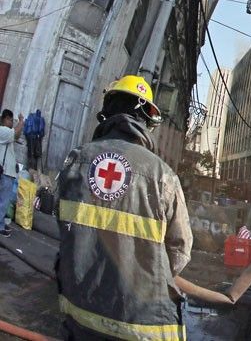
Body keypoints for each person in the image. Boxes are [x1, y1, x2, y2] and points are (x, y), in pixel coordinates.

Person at [56, 75, 193, 340]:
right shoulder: (162, 175)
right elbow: (181, 248)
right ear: (147, 121)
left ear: (107, 112)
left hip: (79, 313)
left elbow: (63, 226)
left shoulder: (76, 159)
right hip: (142, 325)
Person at [0, 109, 24, 237]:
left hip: (6, 171)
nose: (11, 122)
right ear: (5, 119)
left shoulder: (6, 133)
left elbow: (17, 135)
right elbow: (15, 132)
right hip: (5, 172)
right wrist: (21, 121)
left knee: (3, 199)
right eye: (10, 119)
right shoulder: (3, 131)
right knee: (3, 200)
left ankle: (1, 223)